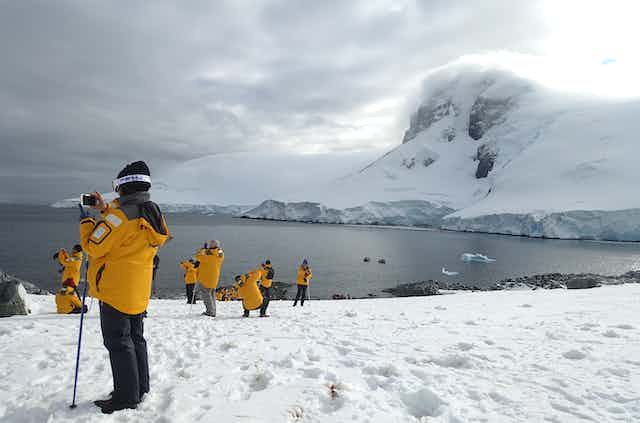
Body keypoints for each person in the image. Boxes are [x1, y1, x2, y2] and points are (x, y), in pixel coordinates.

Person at [79, 160, 170, 414]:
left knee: (118, 343)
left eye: (117, 185)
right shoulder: (153, 212)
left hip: (115, 290)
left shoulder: (118, 218)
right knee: (135, 338)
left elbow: (93, 246)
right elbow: (126, 232)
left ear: (124, 187)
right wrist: (106, 209)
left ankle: (125, 397)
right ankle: (140, 387)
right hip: (137, 289)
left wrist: (87, 221)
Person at [194, 240, 224, 317]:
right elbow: (219, 251)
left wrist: (203, 249)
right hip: (214, 279)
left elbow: (197, 256)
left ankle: (210, 312)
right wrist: (210, 249)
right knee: (212, 295)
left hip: (205, 279)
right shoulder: (220, 255)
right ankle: (213, 310)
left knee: (206, 296)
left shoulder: (208, 257)